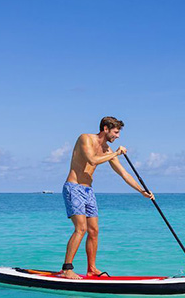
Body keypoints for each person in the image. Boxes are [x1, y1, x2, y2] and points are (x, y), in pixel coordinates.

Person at [60, 116, 153, 279]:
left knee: (94, 231)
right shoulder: (85, 139)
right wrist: (116, 153)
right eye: (116, 132)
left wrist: (142, 191)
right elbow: (92, 159)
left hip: (89, 191)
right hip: (74, 187)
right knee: (80, 228)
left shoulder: (108, 151)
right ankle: (67, 269)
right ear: (105, 129)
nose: (117, 136)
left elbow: (124, 174)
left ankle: (92, 269)